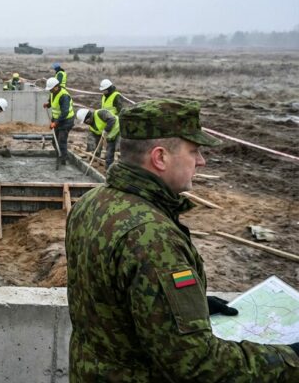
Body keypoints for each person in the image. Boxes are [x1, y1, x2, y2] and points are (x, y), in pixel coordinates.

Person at [66, 99, 299, 381]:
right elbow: (198, 365)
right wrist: (290, 358)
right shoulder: (152, 236)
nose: (202, 161)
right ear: (160, 157)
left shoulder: (91, 202)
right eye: (194, 151)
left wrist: (187, 305)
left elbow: (110, 303)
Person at [42, 76, 74, 166]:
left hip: (66, 120)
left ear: (56, 86)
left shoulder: (64, 96)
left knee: (61, 140)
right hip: (57, 119)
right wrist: (48, 104)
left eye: (51, 89)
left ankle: (63, 159)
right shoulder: (52, 93)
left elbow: (65, 112)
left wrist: (55, 123)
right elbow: (52, 102)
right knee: (54, 140)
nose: (50, 91)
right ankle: (59, 155)